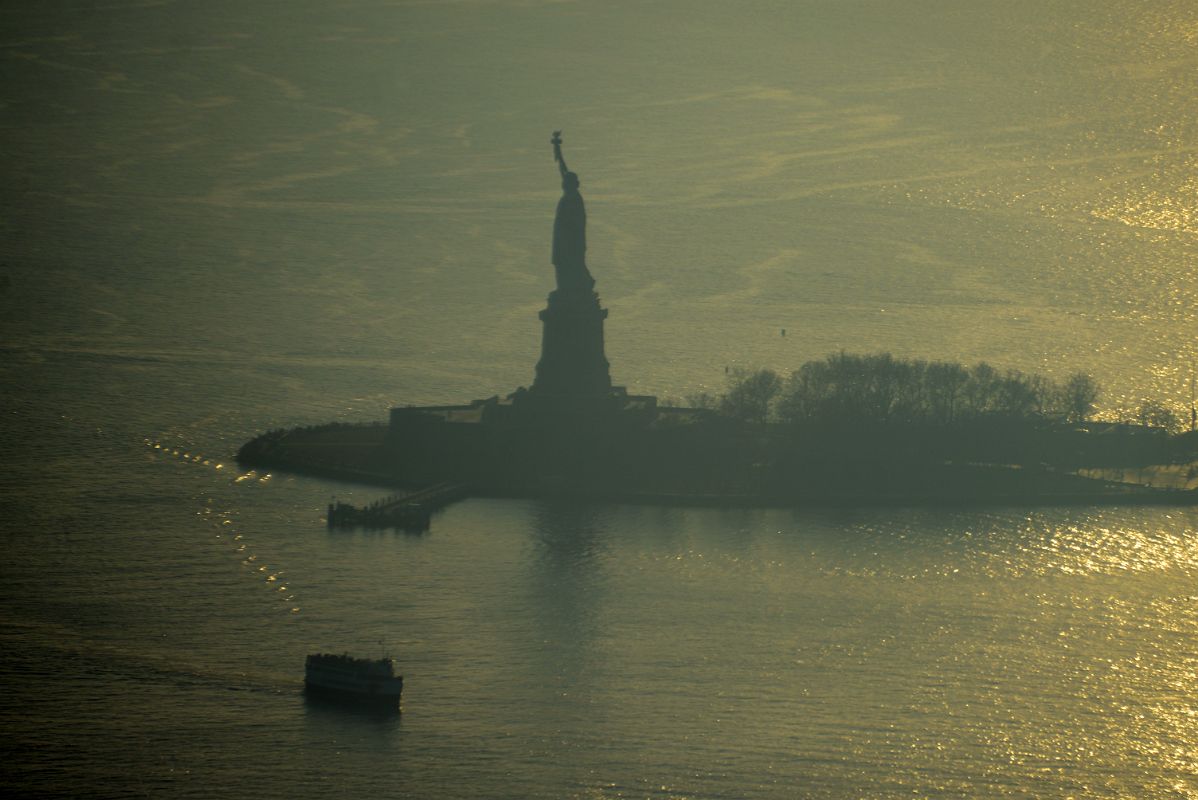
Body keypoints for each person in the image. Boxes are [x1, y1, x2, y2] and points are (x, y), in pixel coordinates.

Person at [550, 131, 595, 292]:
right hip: (563, 239)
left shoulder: (574, 199)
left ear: (572, 184)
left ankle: (580, 285)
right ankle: (565, 288)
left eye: (567, 182)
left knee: (571, 264)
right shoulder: (570, 196)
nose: (564, 183)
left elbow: (576, 223)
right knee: (562, 263)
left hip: (571, 241)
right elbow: (563, 169)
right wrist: (557, 149)